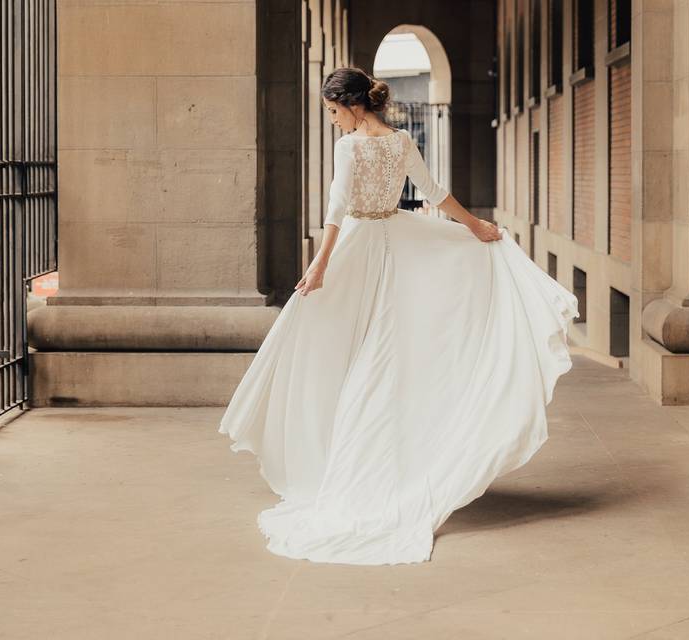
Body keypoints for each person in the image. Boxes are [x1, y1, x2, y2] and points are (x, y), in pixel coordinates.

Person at [218, 67, 579, 565]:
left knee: (341, 347)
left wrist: (319, 265)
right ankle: (373, 458)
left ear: (352, 105)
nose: (333, 121)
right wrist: (474, 226)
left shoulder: (350, 149)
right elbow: (434, 193)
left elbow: (336, 210)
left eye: (332, 111)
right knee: (375, 348)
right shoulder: (402, 140)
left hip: (360, 249)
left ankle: (352, 465)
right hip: (398, 242)